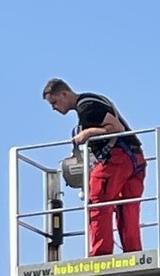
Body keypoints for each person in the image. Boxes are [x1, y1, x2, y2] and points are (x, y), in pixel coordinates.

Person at [42, 79, 146, 257]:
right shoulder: (93, 101)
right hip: (135, 158)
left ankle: (101, 254)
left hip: (117, 157)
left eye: (54, 102)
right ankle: (133, 253)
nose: (54, 108)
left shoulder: (87, 107)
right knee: (127, 207)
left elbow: (117, 128)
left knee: (98, 201)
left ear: (64, 94)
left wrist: (88, 133)